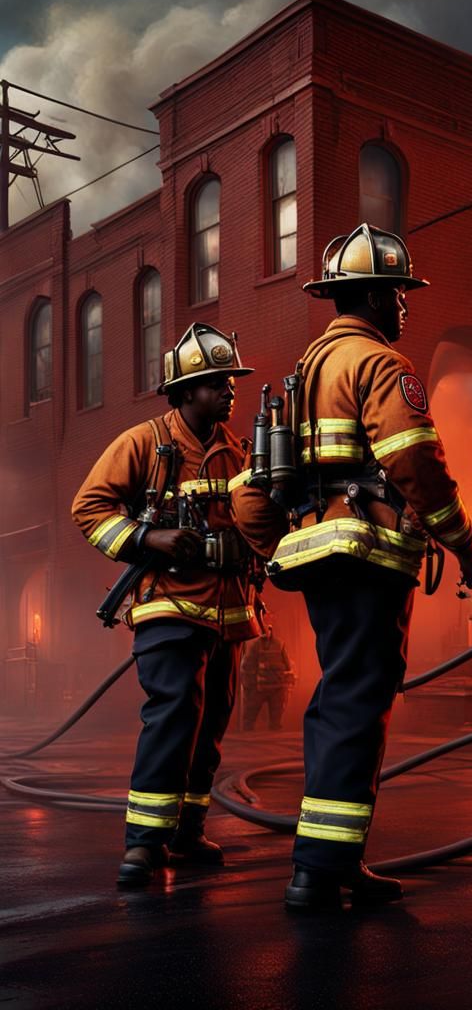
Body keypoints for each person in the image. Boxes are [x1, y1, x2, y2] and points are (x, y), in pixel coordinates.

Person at [232, 224, 472, 911]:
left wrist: (279, 549)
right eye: (398, 295)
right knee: (356, 701)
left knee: (343, 693)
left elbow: (250, 490)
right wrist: (462, 543)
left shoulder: (305, 372)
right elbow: (415, 464)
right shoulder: (379, 364)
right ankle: (319, 871)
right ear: (374, 298)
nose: (403, 308)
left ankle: (334, 861)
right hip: (369, 560)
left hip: (323, 559)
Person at [71, 324, 258, 887]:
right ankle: (145, 844)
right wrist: (148, 538)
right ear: (184, 391)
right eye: (215, 383)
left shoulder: (239, 451)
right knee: (173, 716)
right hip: (168, 606)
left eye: (230, 381)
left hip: (229, 612)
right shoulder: (143, 444)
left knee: (211, 723)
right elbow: (89, 509)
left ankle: (187, 831)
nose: (228, 390)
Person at [240, 624, 296, 731]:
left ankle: (271, 739)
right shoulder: (256, 646)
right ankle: (248, 738)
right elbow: (247, 665)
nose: (265, 631)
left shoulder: (279, 644)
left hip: (275, 688)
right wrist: (251, 683)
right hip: (261, 688)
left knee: (274, 721)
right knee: (250, 719)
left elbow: (288, 666)